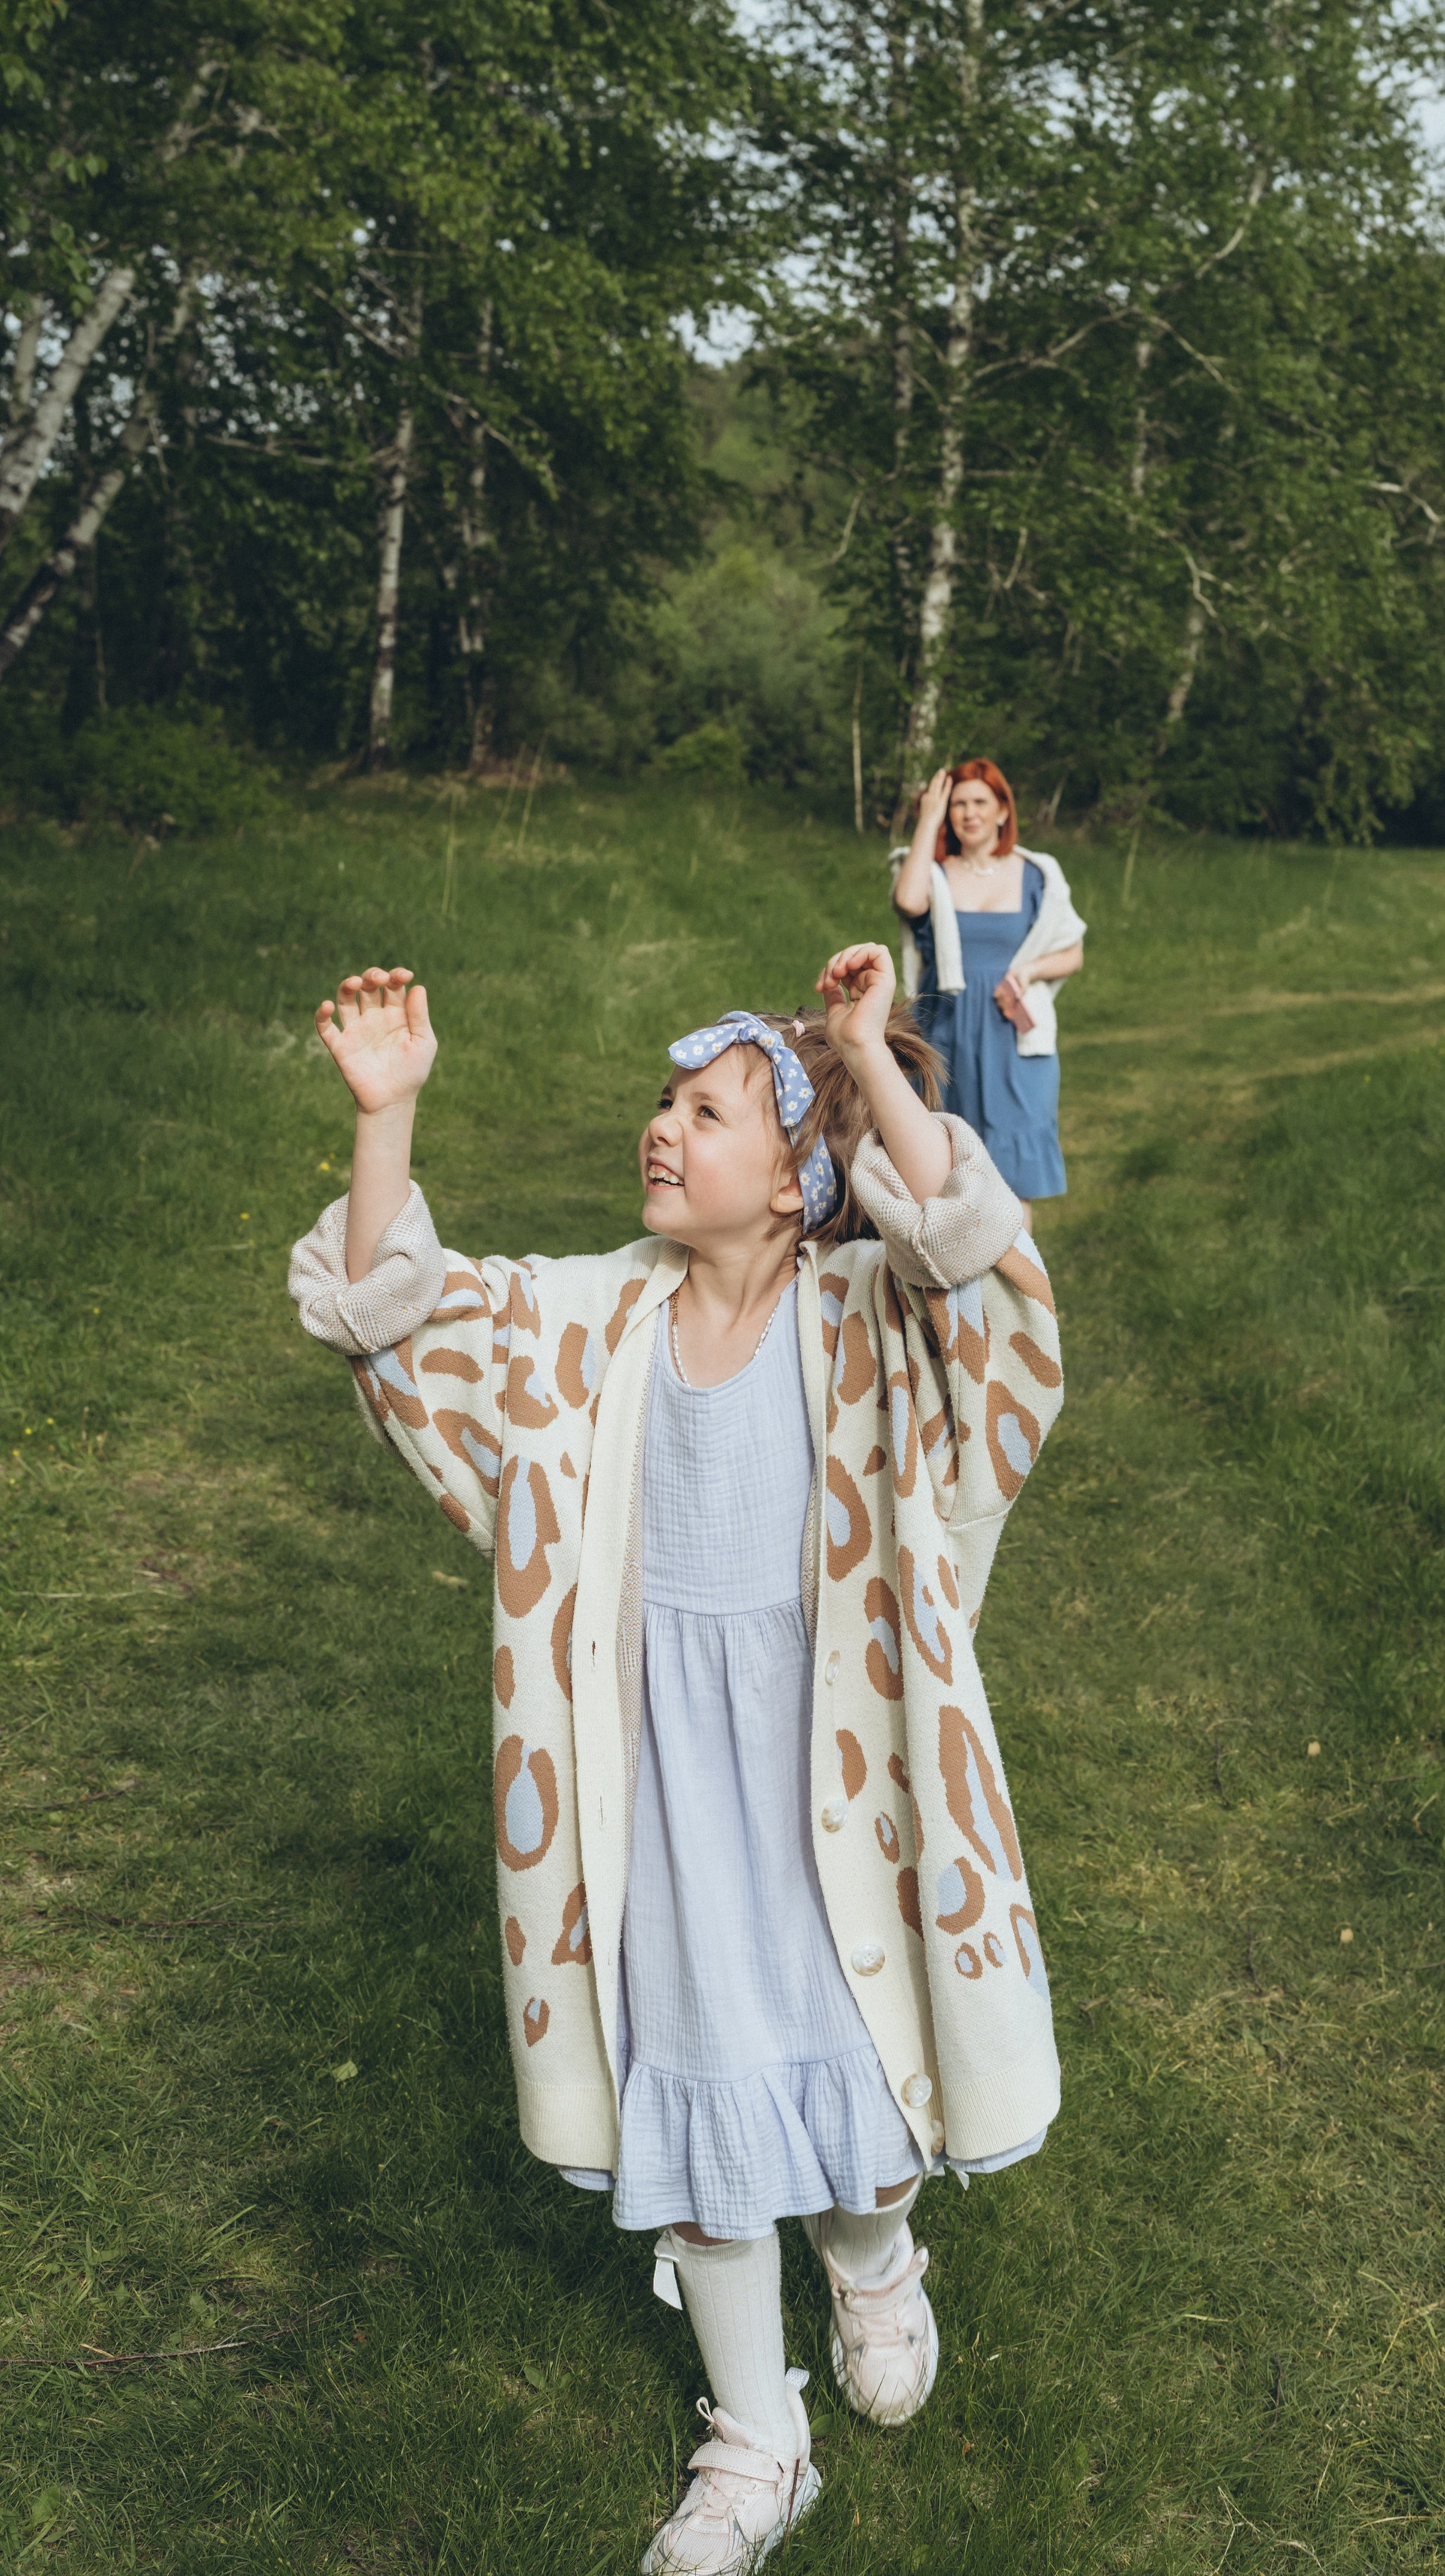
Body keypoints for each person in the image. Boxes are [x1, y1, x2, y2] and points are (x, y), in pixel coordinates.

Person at [288, 949, 1064, 2573]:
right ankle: (756, 2443)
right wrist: (389, 1117)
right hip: (657, 1788)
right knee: (700, 2074)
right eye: (663, 1104)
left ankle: (870, 2260)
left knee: (849, 2048)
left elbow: (979, 1269)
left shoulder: (865, 1318)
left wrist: (864, 1047)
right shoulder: (590, 1322)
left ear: (798, 1184)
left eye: (706, 1113)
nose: (663, 1131)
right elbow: (398, 1322)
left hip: (827, 1777)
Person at [889, 760, 1086, 1222]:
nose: (969, 813)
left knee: (1012, 1170)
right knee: (939, 1166)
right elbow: (908, 901)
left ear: (1003, 810)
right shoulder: (932, 871)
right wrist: (928, 820)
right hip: (944, 1031)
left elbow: (1072, 952)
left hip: (1012, 1036)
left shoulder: (1038, 874)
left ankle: (1017, 1287)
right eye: (958, 804)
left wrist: (1031, 971)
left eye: (980, 802)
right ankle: (950, 1282)